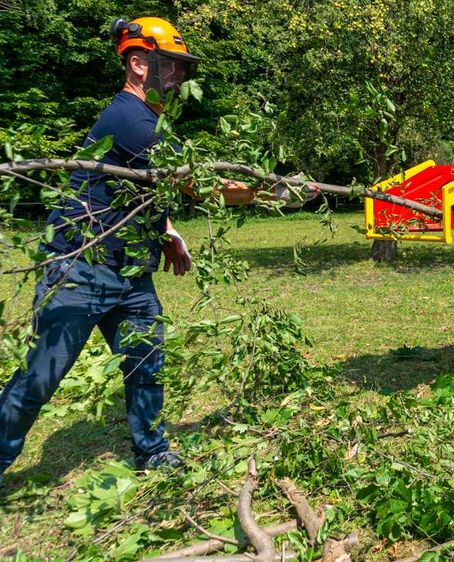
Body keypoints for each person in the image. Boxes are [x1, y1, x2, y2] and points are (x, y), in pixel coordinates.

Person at [0, 17, 317, 483]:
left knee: (146, 363)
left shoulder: (148, 122)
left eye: (181, 71)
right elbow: (197, 185)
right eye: (169, 67)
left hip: (129, 272)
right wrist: (274, 193)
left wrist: (166, 231)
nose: (177, 79)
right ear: (138, 63)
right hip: (80, 270)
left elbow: (135, 192)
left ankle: (151, 451)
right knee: (38, 381)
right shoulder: (129, 120)